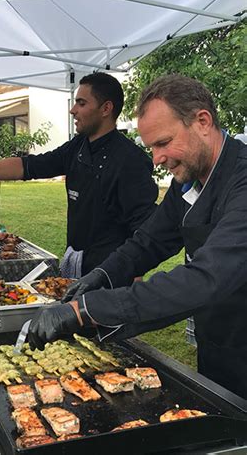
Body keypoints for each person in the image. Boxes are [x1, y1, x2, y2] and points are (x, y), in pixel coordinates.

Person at [27, 75, 247, 400]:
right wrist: (100, 276)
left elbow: (206, 278)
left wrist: (86, 310)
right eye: (151, 147)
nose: (157, 159)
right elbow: (150, 240)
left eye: (163, 143)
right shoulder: (191, 178)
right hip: (218, 341)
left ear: (202, 121)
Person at [0, 72, 158, 277]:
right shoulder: (78, 147)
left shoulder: (131, 161)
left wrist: (131, 273)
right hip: (76, 260)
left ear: (106, 108)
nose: (73, 110)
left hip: (110, 272)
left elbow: (146, 231)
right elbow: (29, 166)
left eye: (81, 103)